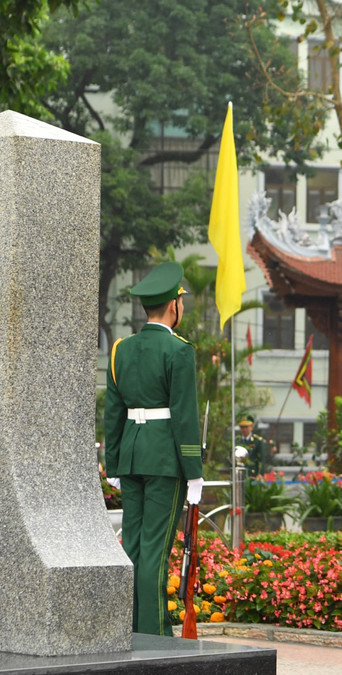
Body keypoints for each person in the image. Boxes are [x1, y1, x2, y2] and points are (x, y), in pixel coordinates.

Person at [104, 262, 205, 637]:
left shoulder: (121, 350)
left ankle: (126, 629)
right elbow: (184, 415)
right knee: (156, 551)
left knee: (132, 546)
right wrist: (193, 471)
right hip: (165, 459)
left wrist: (112, 461)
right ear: (173, 306)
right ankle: (155, 634)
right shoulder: (179, 351)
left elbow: (113, 412)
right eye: (182, 301)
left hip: (131, 456)